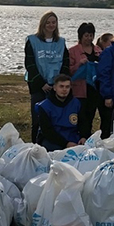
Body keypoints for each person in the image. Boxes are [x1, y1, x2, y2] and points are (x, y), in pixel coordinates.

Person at [24, 11, 69, 144]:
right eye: (48, 22)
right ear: (43, 24)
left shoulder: (61, 42)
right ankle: (35, 146)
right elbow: (30, 64)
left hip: (56, 87)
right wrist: (41, 83)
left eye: (53, 22)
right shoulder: (32, 40)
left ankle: (54, 145)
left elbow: (65, 63)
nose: (51, 25)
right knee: (37, 119)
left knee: (55, 119)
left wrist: (58, 84)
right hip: (39, 86)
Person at [69, 22, 107, 140]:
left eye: (91, 35)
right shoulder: (72, 51)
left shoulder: (98, 50)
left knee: (91, 115)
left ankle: (89, 138)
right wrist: (79, 65)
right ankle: (80, 137)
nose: (89, 38)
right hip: (79, 90)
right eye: (86, 35)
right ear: (80, 36)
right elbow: (68, 71)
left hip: (95, 89)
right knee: (81, 116)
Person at [35, 74, 83, 150]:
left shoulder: (76, 103)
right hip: (53, 140)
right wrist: (65, 144)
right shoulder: (44, 106)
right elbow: (47, 131)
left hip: (73, 138)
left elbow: (83, 123)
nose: (64, 89)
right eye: (61, 86)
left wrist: (84, 136)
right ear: (54, 88)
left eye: (67, 87)